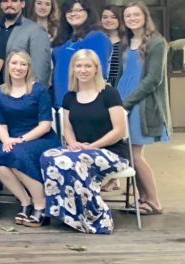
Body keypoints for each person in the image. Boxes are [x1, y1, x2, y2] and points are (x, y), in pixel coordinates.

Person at [40, 50, 130, 234]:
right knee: (48, 157)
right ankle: (68, 213)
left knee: (75, 161)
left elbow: (119, 130)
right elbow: (67, 128)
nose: (83, 70)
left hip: (111, 151)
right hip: (80, 150)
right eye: (78, 66)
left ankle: (97, 217)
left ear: (96, 68)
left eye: (88, 66)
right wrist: (72, 143)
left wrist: (93, 146)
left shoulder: (109, 93)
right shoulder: (69, 96)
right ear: (73, 69)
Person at [0, 50, 61, 228]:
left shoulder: (39, 90)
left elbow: (45, 125)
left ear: (28, 68)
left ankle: (41, 205)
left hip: (40, 138)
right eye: (14, 63)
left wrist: (20, 140)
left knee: (17, 155)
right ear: (8, 66)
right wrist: (6, 140)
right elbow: (0, 124)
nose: (18, 68)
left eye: (23, 64)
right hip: (11, 140)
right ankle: (25, 201)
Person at [118, 2, 171, 215]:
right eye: (128, 15)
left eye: (136, 14)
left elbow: (153, 79)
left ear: (144, 16)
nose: (132, 18)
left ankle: (155, 201)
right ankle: (144, 200)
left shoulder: (157, 42)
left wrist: (127, 103)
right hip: (122, 100)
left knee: (136, 153)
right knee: (130, 154)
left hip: (140, 103)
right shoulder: (126, 42)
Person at [52, 0, 113, 107]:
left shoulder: (97, 37)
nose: (73, 14)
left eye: (78, 10)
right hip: (60, 101)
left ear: (88, 13)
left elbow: (99, 72)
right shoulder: (64, 38)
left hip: (84, 103)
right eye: (69, 11)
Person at [0, 0, 53, 87]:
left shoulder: (36, 30)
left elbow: (41, 68)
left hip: (24, 93)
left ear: (22, 4)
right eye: (5, 1)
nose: (9, 4)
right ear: (1, 5)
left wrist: (35, 94)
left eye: (14, 1)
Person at [100, 5, 124, 87]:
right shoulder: (98, 40)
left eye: (113, 17)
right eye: (105, 17)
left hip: (120, 86)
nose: (108, 20)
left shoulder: (127, 42)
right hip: (100, 86)